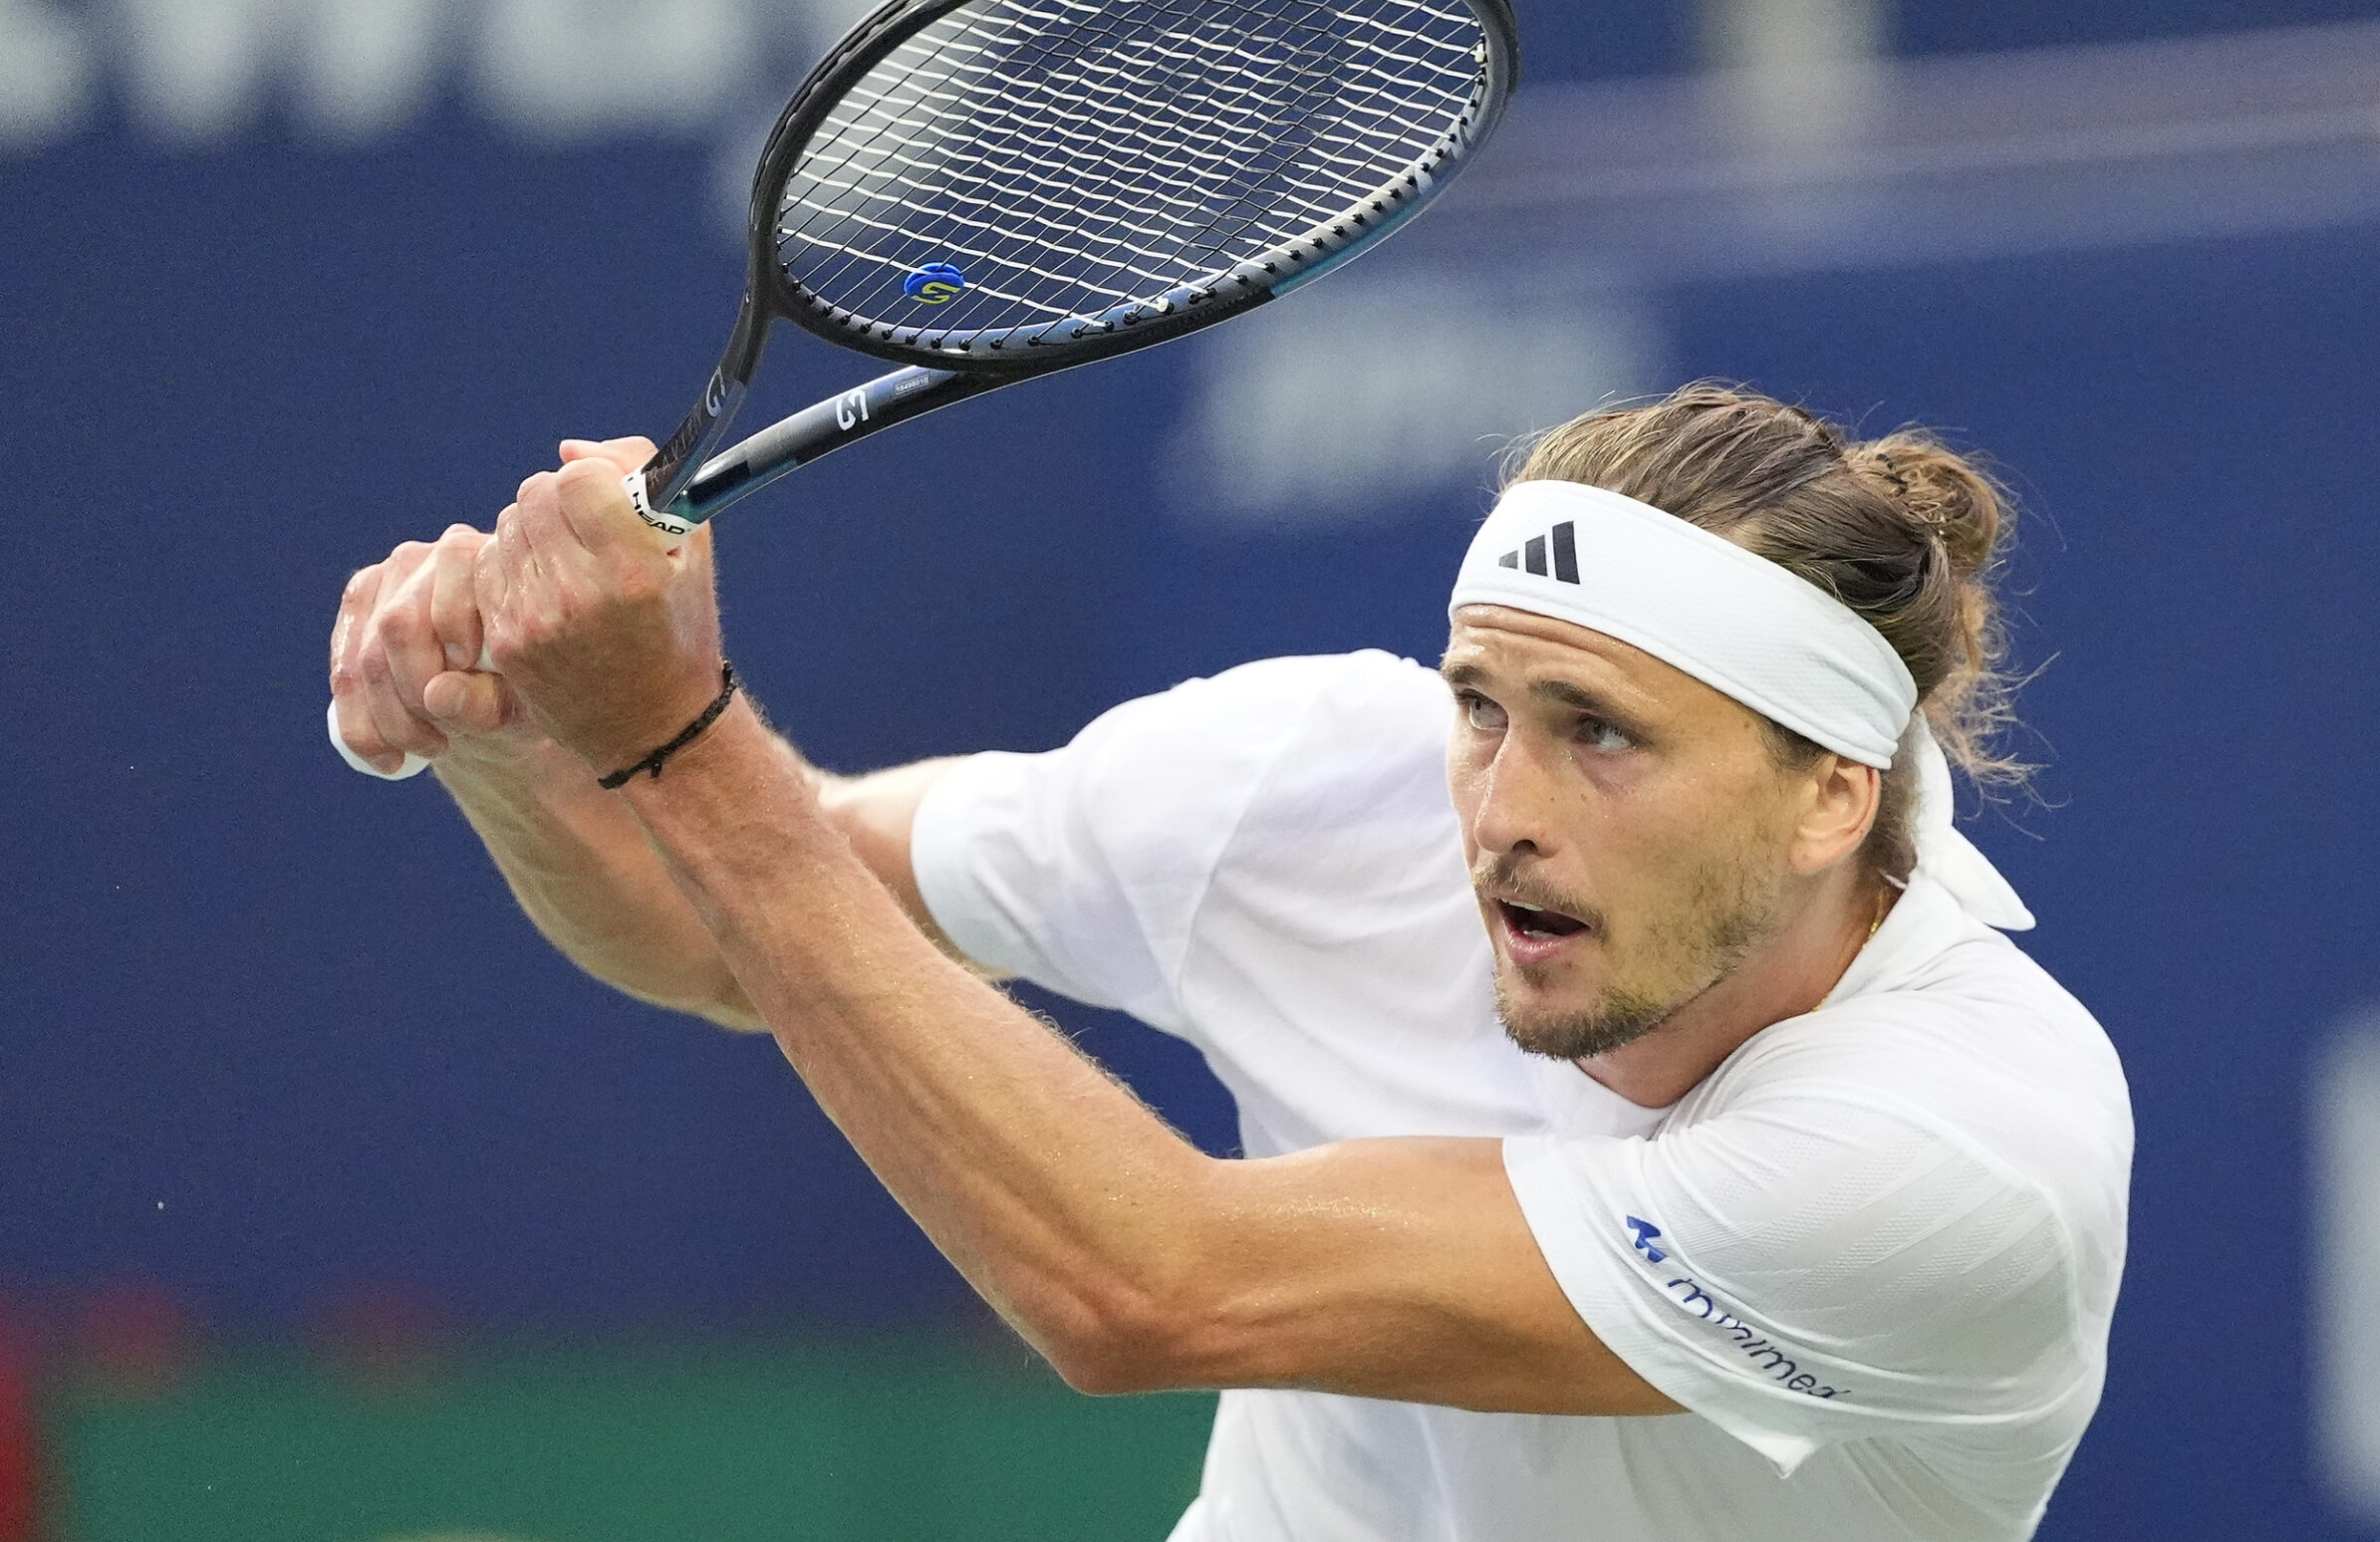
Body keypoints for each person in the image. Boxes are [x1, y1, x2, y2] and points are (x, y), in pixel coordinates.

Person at [329, 383, 2131, 1542]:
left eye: (1602, 735)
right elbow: (744, 920)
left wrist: (671, 740)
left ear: (1832, 798)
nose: (1500, 807)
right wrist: (509, 730)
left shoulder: (1965, 1149)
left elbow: (1151, 1293)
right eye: (1483, 708)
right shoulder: (1313, 780)